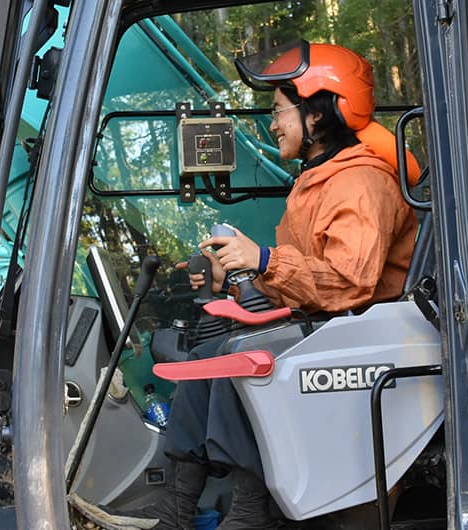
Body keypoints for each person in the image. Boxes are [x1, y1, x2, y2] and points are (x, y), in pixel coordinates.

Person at [120, 42, 419, 530]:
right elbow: (298, 282)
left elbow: (349, 282)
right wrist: (230, 278)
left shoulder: (362, 182)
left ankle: (251, 510)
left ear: (317, 117)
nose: (273, 124)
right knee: (210, 353)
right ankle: (177, 505)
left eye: (280, 112)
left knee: (246, 355)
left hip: (359, 333)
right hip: (323, 324)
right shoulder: (317, 181)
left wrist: (261, 258)